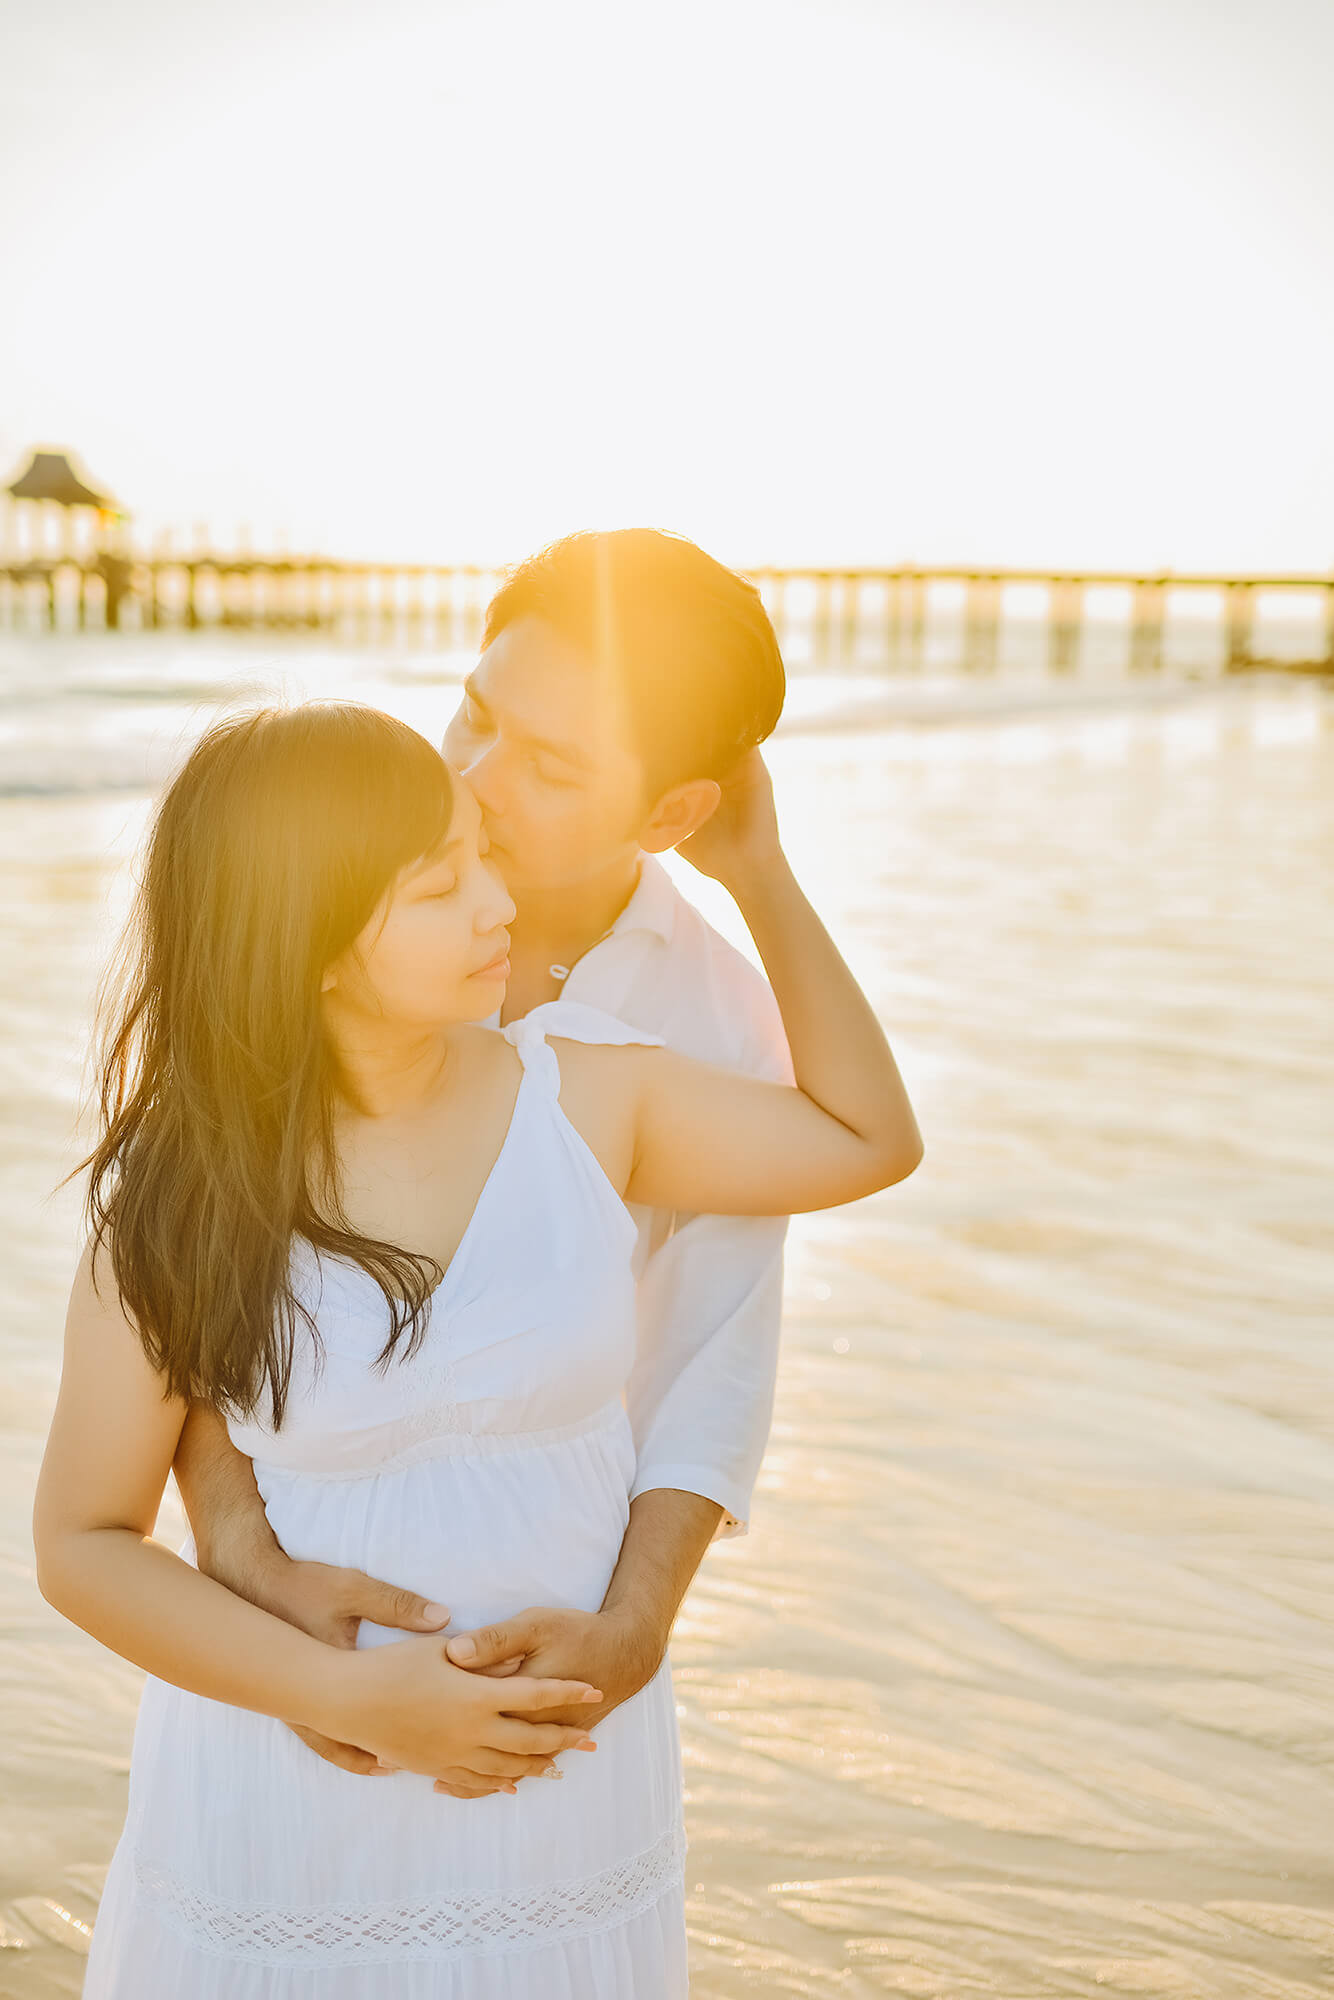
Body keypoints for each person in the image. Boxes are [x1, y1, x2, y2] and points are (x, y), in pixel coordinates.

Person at [34, 700, 922, 1996]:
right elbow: (82, 1543)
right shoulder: (185, 1197)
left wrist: (759, 874)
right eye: (438, 886)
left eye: (481, 860)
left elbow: (866, 1141)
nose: (495, 903)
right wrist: (340, 1697)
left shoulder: (590, 1093)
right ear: (314, 943)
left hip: (559, 1792)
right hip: (292, 1796)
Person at [170, 531, 800, 1798]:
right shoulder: (326, 909)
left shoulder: (716, 1027)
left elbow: (710, 1364)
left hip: (552, 1666)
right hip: (296, 1637)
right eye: (473, 713)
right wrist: (244, 1550)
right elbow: (185, 1271)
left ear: (673, 813)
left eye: (552, 765)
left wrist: (628, 1633)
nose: (475, 776)